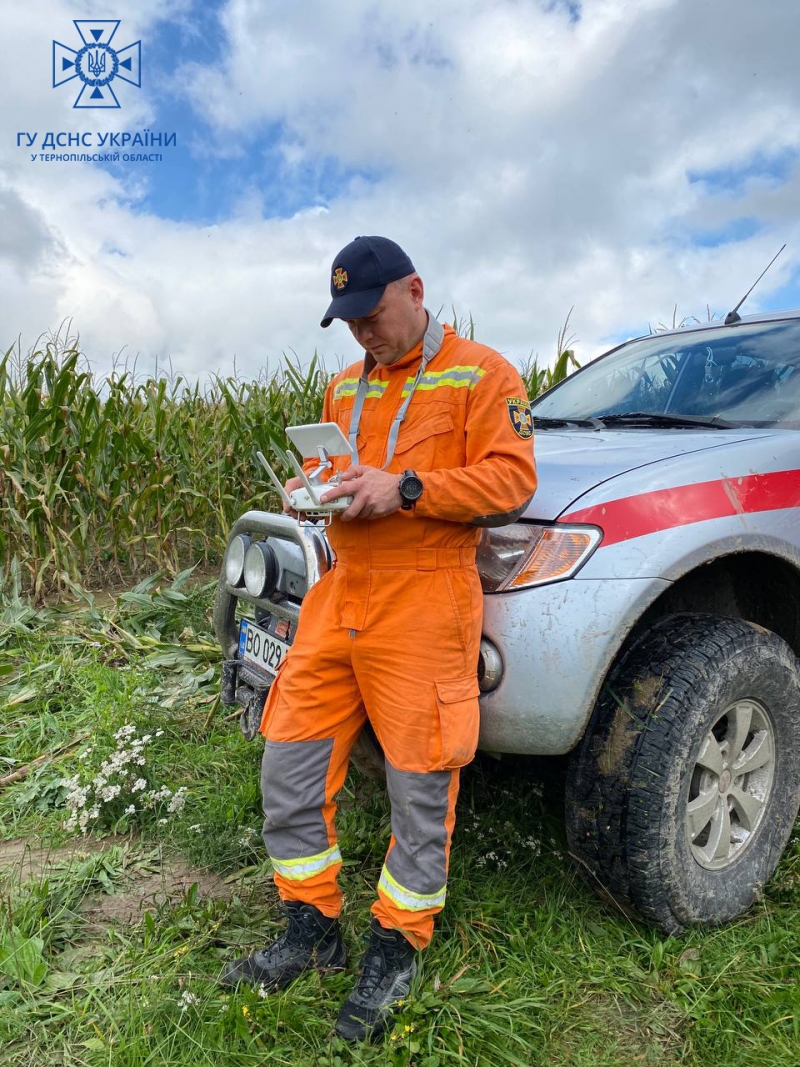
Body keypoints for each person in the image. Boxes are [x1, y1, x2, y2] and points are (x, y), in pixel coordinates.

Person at [222, 236, 538, 1041]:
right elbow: (344, 482)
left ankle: (397, 944)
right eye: (349, 321)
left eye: (371, 314)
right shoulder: (342, 388)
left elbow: (512, 480)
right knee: (288, 761)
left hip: (425, 599)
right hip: (340, 592)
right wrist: (315, 494)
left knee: (419, 787)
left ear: (415, 290)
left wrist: (404, 487)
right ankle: (312, 925)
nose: (362, 332)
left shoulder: (483, 374)